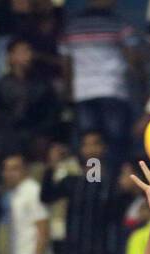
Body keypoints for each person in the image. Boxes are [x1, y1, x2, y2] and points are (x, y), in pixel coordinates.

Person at [58, 0, 140, 162]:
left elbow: (66, 64)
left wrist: (68, 92)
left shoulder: (72, 26)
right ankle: (111, 181)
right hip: (113, 90)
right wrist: (138, 86)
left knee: (90, 143)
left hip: (83, 92)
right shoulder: (118, 23)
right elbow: (133, 60)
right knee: (115, 141)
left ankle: (94, 179)